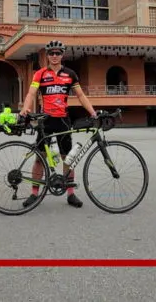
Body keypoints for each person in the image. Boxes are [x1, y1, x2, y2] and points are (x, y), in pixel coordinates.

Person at [19, 40, 97, 208]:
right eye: (51, 53)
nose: (54, 56)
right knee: (40, 159)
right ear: (47, 56)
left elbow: (81, 95)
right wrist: (25, 108)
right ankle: (34, 193)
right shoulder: (40, 74)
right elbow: (31, 93)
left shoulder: (70, 74)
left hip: (63, 120)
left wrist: (93, 113)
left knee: (67, 158)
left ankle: (70, 193)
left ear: (62, 55)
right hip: (45, 121)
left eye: (58, 53)